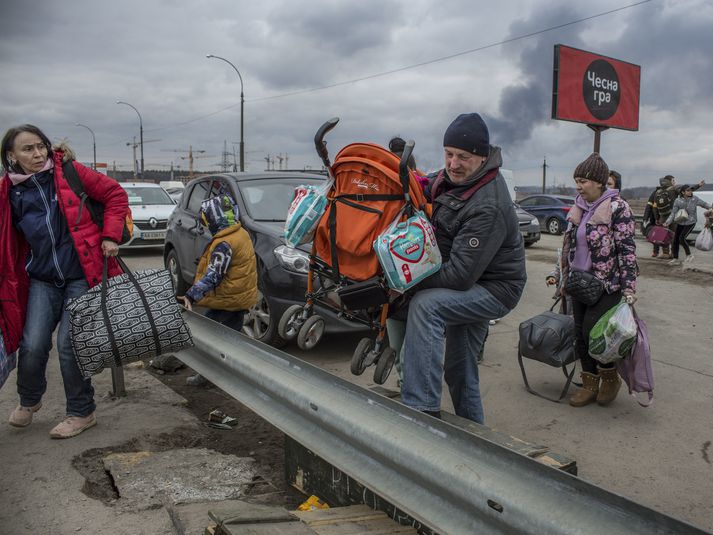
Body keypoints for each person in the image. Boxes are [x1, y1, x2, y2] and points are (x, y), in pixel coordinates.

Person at [395, 113, 526, 424]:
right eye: (449, 154)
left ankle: (421, 411)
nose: (453, 163)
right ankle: (475, 437)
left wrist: (406, 281)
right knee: (460, 368)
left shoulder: (488, 204)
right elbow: (420, 197)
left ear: (482, 157)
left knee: (426, 306)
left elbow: (458, 276)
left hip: (494, 289)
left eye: (463, 157)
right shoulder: (448, 179)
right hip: (472, 281)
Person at [0, 124, 129, 438]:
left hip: (81, 276)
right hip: (41, 278)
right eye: (27, 149)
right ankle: (30, 401)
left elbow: (115, 194)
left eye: (40, 146)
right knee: (31, 344)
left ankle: (82, 412)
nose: (37, 153)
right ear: (11, 155)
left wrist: (111, 235)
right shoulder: (10, 190)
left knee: (69, 345)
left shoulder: (69, 172)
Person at [561, 153, 638, 408]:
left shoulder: (618, 208)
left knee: (596, 336)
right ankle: (590, 384)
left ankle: (610, 378)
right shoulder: (579, 207)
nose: (578, 186)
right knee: (580, 337)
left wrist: (629, 287)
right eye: (577, 181)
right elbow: (568, 246)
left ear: (598, 182)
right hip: (579, 282)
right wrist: (563, 277)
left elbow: (626, 250)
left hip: (606, 284)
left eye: (583, 181)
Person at [177, 193, 258, 385]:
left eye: (208, 219)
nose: (206, 224)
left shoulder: (224, 243)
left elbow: (214, 275)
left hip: (227, 301)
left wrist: (192, 295)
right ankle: (224, 375)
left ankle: (209, 377)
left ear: (216, 218)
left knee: (212, 340)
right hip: (236, 298)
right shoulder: (240, 233)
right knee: (228, 339)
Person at [664, 184, 712, 265]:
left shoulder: (694, 199)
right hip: (680, 222)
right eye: (688, 190)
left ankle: (689, 255)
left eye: (690, 190)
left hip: (691, 222)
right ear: (683, 192)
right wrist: (668, 222)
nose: (690, 191)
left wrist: (710, 207)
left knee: (681, 238)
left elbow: (704, 204)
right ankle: (675, 258)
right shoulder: (678, 201)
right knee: (675, 240)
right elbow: (673, 213)